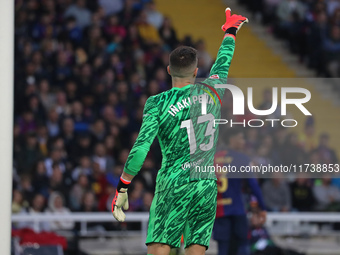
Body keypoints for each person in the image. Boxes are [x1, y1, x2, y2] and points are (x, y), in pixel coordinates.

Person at [112, 8, 249, 255]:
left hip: (173, 182)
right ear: (197, 72)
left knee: (160, 247)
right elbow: (223, 61)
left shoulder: (157, 103)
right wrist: (230, 31)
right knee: (196, 249)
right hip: (206, 184)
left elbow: (141, 148)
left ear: (168, 71)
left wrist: (123, 187)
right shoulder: (213, 90)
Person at [213, 128, 266, 255]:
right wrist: (262, 207)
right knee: (242, 245)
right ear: (232, 140)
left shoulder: (213, 158)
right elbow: (253, 185)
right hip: (237, 208)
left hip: (219, 210)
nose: (243, 142)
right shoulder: (242, 158)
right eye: (241, 138)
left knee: (223, 248)